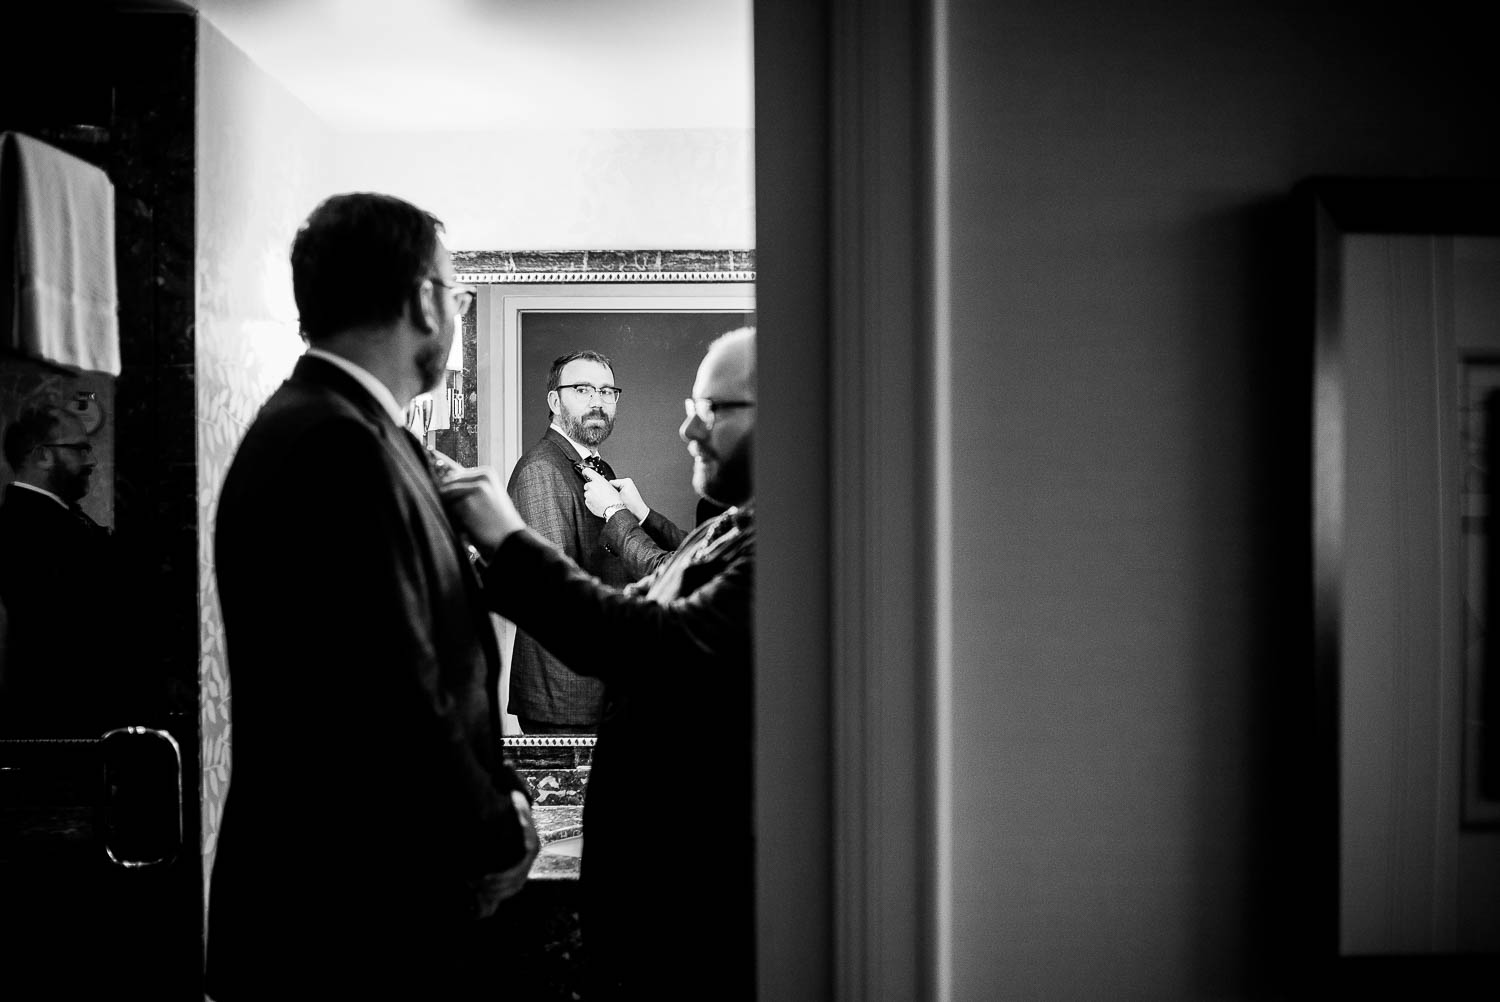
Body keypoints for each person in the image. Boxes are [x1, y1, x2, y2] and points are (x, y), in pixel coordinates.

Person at [205, 192, 538, 1000]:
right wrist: (498, 833)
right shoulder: (335, 445)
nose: (456, 311)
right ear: (424, 299)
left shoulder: (366, 435)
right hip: (347, 925)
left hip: (365, 907)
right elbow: (395, 691)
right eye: (456, 291)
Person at [442, 326, 757, 1002]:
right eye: (688, 406)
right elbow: (651, 585)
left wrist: (505, 537)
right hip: (651, 905)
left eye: (710, 409)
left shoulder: (780, 545)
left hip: (698, 908)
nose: (686, 430)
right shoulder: (727, 524)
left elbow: (645, 636)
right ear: (554, 400)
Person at [506, 349, 682, 733]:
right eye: (582, 390)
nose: (597, 402)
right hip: (566, 697)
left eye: (606, 391)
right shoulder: (541, 470)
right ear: (555, 400)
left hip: (602, 690)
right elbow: (552, 596)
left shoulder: (595, 467)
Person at [0, 404, 119, 736]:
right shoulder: (33, 529)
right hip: (61, 719)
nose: (91, 460)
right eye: (80, 449)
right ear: (43, 455)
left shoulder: (53, 521)